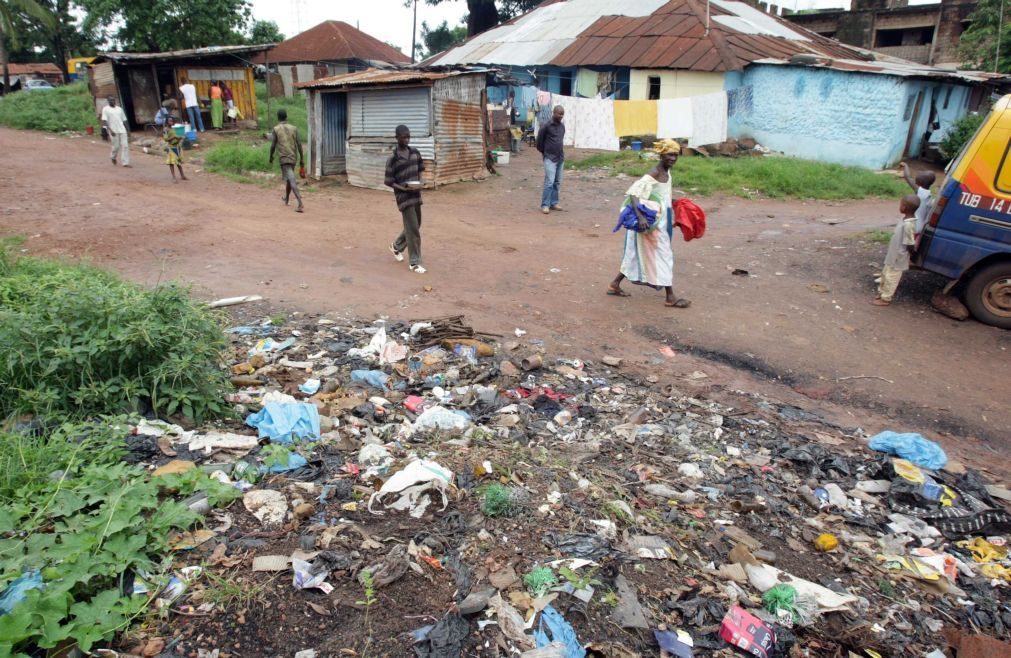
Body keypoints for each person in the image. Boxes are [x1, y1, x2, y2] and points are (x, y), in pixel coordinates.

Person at [607, 139, 690, 308]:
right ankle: (670, 296)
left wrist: (675, 203)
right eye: (669, 155)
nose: (673, 158)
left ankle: (615, 284)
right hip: (652, 225)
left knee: (634, 254)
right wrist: (642, 217)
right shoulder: (655, 173)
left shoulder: (666, 173)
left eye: (675, 155)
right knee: (664, 255)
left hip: (661, 221)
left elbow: (660, 195)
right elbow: (633, 194)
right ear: (661, 155)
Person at [384, 124, 426, 274]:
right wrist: (403, 188)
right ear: (397, 138)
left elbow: (421, 169)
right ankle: (414, 262)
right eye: (404, 137)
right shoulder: (393, 159)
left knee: (416, 224)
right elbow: (388, 181)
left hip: (416, 194)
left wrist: (421, 182)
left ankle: (396, 246)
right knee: (413, 228)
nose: (407, 140)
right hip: (403, 196)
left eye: (408, 136)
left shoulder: (415, 152)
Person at [873, 194, 921, 306]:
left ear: (904, 207)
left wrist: (911, 255)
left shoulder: (909, 224)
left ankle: (886, 298)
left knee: (892, 278)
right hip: (893, 254)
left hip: (899, 257)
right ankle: (882, 293)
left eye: (900, 204)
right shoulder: (905, 220)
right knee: (885, 274)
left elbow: (910, 243)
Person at [268, 109, 305, 213]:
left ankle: (300, 203)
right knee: (289, 178)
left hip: (284, 158)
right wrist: (302, 159)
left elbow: (273, 145)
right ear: (286, 117)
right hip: (293, 157)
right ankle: (287, 199)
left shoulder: (276, 129)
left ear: (278, 118)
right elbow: (299, 145)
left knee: (291, 179)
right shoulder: (294, 128)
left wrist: (271, 157)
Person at [536, 105, 565, 214]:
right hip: (550, 158)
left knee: (557, 182)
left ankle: (554, 203)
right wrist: (545, 153)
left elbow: (560, 140)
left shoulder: (562, 127)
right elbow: (539, 142)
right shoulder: (546, 126)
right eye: (559, 114)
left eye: (562, 114)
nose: (561, 116)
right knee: (549, 182)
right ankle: (545, 205)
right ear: (554, 113)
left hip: (560, 158)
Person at [900, 162, 936, 234]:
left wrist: (905, 165)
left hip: (914, 227)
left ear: (920, 182)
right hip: (921, 227)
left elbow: (908, 177)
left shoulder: (921, 192)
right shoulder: (929, 195)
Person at [100, 96, 130, 167]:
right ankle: (113, 156)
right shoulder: (106, 109)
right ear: (108, 101)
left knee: (125, 146)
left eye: (113, 100)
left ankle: (125, 163)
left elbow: (124, 120)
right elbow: (104, 120)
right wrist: (110, 130)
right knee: (116, 146)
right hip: (113, 130)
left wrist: (128, 130)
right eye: (111, 100)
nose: (113, 101)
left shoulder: (119, 109)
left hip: (122, 129)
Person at [163, 117, 188, 183]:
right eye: (169, 121)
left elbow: (178, 136)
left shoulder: (174, 128)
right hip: (171, 147)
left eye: (172, 121)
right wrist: (174, 137)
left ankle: (182, 175)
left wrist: (180, 138)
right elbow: (166, 139)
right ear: (167, 122)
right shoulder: (166, 129)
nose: (171, 122)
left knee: (178, 162)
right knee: (171, 163)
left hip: (177, 146)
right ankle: (174, 177)